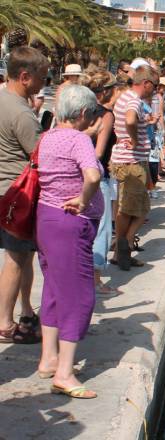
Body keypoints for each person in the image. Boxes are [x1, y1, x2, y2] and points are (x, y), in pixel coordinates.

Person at [36, 84, 102, 398]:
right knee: (78, 296)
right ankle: (64, 372)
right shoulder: (78, 139)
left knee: (52, 290)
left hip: (46, 220)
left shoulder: (47, 136)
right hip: (70, 224)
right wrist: (83, 199)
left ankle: (48, 358)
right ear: (83, 113)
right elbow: (92, 176)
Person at [0, 46, 49, 344]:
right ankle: (5, 323)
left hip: (5, 192)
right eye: (42, 77)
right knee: (17, 258)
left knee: (22, 256)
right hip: (15, 195)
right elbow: (40, 154)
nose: (45, 82)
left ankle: (27, 312)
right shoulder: (21, 113)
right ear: (25, 76)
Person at [110, 65, 159, 271]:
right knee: (133, 209)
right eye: (154, 86)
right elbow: (130, 119)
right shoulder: (134, 100)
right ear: (146, 83)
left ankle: (124, 244)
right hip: (131, 162)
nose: (155, 90)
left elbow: (130, 119)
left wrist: (143, 123)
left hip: (128, 160)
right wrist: (134, 139)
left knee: (133, 207)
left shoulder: (124, 96)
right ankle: (123, 246)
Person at [83, 70, 122, 295]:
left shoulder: (84, 110)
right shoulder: (106, 115)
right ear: (106, 92)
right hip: (98, 177)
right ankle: (96, 280)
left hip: (79, 175)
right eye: (116, 88)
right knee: (102, 228)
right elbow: (98, 152)